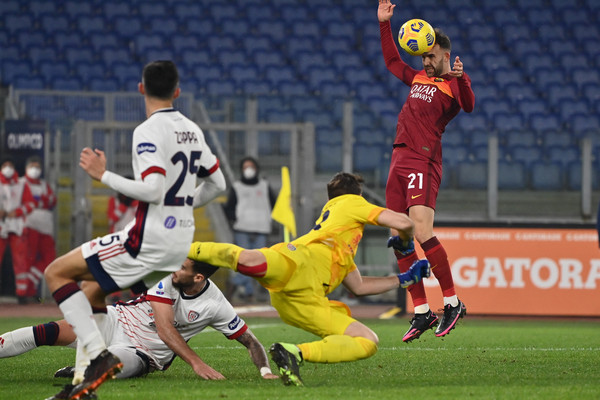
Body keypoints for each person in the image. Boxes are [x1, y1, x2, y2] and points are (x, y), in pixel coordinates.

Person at [43, 60, 227, 400]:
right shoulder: (192, 130)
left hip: (146, 240)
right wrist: (182, 206)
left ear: (141, 88)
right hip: (178, 244)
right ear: (177, 92)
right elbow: (218, 184)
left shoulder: (147, 130)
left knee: (55, 273)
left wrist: (103, 175)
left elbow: (153, 190)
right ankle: (83, 385)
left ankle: (98, 357)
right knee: (91, 289)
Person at [188, 172, 431, 386]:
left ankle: (293, 353)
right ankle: (183, 249)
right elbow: (404, 222)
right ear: (357, 196)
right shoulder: (350, 202)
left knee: (367, 340)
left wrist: (404, 279)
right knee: (249, 260)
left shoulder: (339, 244)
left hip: (302, 299)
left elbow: (359, 286)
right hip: (300, 264)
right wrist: (405, 243)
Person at [0, 258, 278, 396]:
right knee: (47, 332)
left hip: (143, 353)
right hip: (115, 320)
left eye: (182, 267)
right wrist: (197, 363)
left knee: (104, 369)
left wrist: (265, 371)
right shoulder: (166, 277)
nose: (174, 269)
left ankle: (80, 372)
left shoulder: (215, 305)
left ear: (198, 277)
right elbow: (165, 328)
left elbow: (251, 341)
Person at [378, 0, 475, 342]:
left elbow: (469, 105)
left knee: (421, 230)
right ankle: (421, 311)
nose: (426, 62)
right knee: (399, 237)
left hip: (423, 159)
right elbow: (392, 62)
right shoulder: (419, 76)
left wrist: (461, 78)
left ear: (445, 55)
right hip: (398, 158)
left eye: (431, 56)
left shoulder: (453, 84)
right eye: (423, 57)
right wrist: (384, 24)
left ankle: (452, 302)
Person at [223, 156, 276, 303]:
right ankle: (248, 292)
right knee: (245, 261)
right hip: (242, 228)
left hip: (262, 228)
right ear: (241, 169)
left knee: (256, 262)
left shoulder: (264, 186)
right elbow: (229, 207)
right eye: (245, 167)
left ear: (256, 168)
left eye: (251, 167)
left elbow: (274, 204)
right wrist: (236, 218)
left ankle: (235, 283)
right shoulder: (237, 187)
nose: (248, 170)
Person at [0, 156, 41, 303]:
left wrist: (17, 212)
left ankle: (21, 294)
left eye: (10, 165)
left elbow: (31, 204)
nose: (8, 168)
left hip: (17, 226)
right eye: (5, 165)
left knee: (21, 261)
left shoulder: (22, 184)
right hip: (1, 225)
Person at [21, 156, 57, 300]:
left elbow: (52, 200)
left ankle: (31, 280)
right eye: (32, 167)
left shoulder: (44, 184)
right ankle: (27, 292)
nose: (35, 170)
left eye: (38, 167)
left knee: (50, 259)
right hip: (29, 224)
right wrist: (40, 201)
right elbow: (26, 202)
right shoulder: (21, 183)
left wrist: (38, 202)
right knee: (28, 258)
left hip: (46, 225)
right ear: (26, 168)